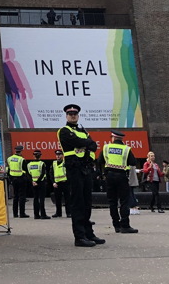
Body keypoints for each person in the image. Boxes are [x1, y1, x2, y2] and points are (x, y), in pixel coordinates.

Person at [57, 103, 104, 247]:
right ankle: (79, 236)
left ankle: (88, 233)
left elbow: (93, 145)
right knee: (78, 202)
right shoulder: (64, 131)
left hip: (86, 168)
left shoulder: (83, 130)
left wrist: (87, 143)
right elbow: (76, 142)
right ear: (66, 116)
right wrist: (87, 143)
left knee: (87, 202)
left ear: (78, 115)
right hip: (74, 168)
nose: (73, 116)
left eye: (75, 114)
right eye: (70, 114)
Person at [97, 130, 138, 233]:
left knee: (112, 202)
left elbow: (100, 161)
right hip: (122, 176)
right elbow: (133, 162)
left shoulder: (106, 147)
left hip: (110, 177)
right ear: (121, 139)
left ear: (113, 138)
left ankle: (116, 225)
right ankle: (125, 225)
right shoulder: (126, 149)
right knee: (124, 201)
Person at [6, 144, 30, 218]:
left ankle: (15, 214)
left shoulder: (9, 158)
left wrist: (10, 178)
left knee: (15, 196)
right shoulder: (21, 159)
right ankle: (22, 213)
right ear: (21, 151)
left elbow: (9, 169)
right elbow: (26, 170)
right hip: (21, 179)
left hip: (13, 179)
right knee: (22, 196)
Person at [27, 149, 50, 219]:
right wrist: (37, 181)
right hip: (41, 183)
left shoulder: (29, 164)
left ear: (33, 156)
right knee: (41, 199)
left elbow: (28, 174)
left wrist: (33, 181)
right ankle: (43, 214)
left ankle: (36, 215)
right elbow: (43, 173)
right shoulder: (42, 163)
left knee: (35, 199)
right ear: (40, 156)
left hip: (33, 183)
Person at [51, 149, 69, 218]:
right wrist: (53, 182)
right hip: (57, 184)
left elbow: (69, 173)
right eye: (57, 155)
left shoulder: (65, 163)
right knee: (57, 200)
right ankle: (58, 213)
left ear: (62, 155)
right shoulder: (54, 163)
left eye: (59, 155)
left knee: (67, 199)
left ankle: (69, 213)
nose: (58, 156)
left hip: (65, 183)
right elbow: (51, 174)